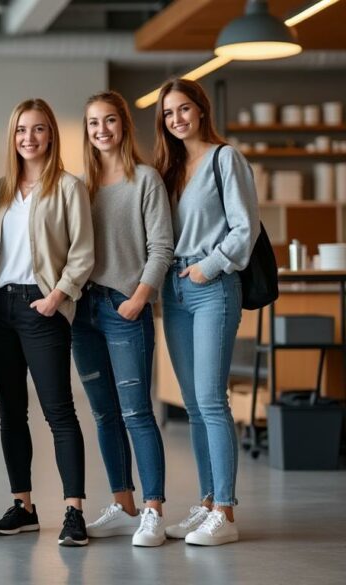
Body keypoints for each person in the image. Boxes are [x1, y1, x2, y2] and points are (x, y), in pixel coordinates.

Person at [0, 98, 94, 547]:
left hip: (43, 306)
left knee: (59, 412)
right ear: (14, 136)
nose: (30, 138)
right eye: (22, 130)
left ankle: (74, 511)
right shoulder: (0, 190)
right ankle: (23, 506)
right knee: (10, 413)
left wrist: (57, 297)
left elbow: (83, 252)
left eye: (39, 129)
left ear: (51, 135)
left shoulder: (68, 187)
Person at [154, 78, 259, 546]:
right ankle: (206, 501)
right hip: (175, 290)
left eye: (183, 109)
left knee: (212, 402)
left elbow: (246, 226)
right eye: (168, 113)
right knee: (194, 405)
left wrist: (207, 267)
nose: (176, 119)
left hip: (213, 285)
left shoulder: (225, 158)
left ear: (200, 109)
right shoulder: (170, 168)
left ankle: (227, 514)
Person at [71, 91, 173, 547]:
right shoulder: (81, 186)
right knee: (103, 413)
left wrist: (140, 298)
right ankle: (124, 504)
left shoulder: (145, 179)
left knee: (136, 412)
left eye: (109, 121)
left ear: (123, 125)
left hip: (124, 308)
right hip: (84, 314)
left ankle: (153, 508)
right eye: (93, 123)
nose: (101, 130)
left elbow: (162, 248)